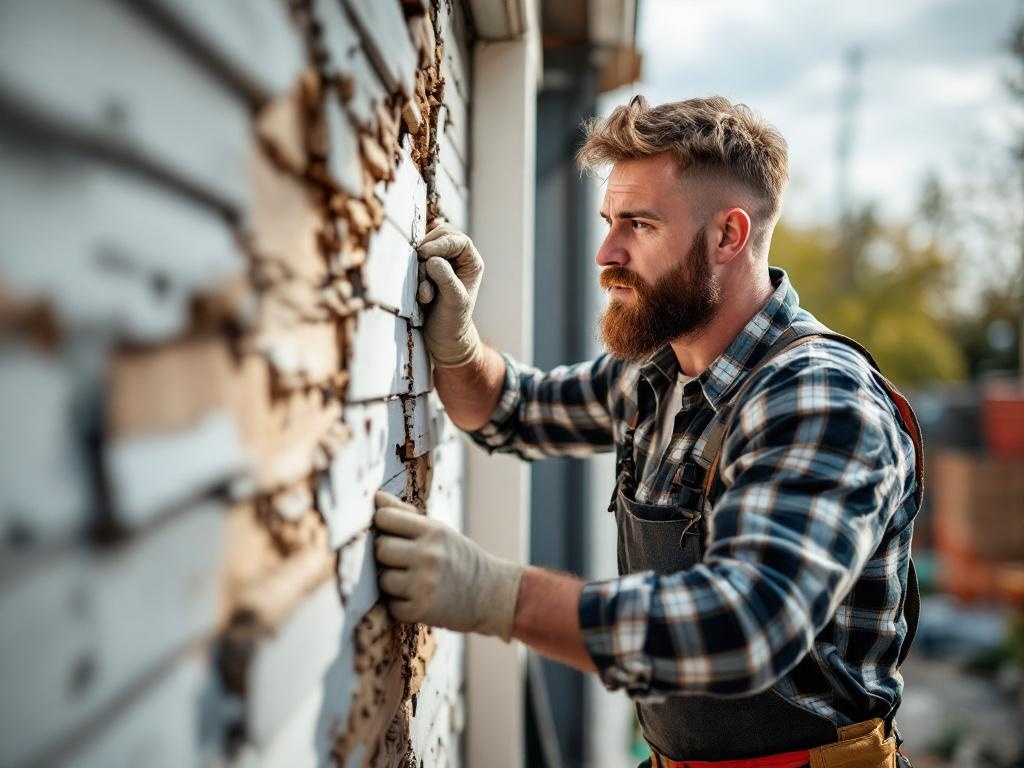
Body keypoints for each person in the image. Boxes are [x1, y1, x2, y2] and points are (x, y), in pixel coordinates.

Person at [373, 95, 921, 768]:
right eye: (609, 222)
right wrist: (458, 345)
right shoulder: (656, 373)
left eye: (639, 224)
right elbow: (510, 408)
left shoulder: (817, 396)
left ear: (728, 236)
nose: (606, 253)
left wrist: (494, 596)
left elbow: (744, 628)